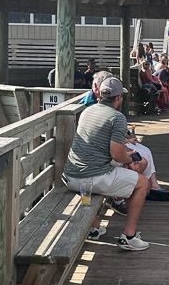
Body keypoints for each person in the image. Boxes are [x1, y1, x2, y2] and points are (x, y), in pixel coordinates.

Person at [62, 77, 150, 251]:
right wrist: (130, 158)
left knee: (114, 170)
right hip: (91, 179)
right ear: (118, 98)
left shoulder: (88, 111)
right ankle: (129, 236)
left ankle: (94, 228)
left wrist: (124, 157)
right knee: (142, 183)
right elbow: (117, 154)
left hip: (71, 176)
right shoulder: (117, 118)